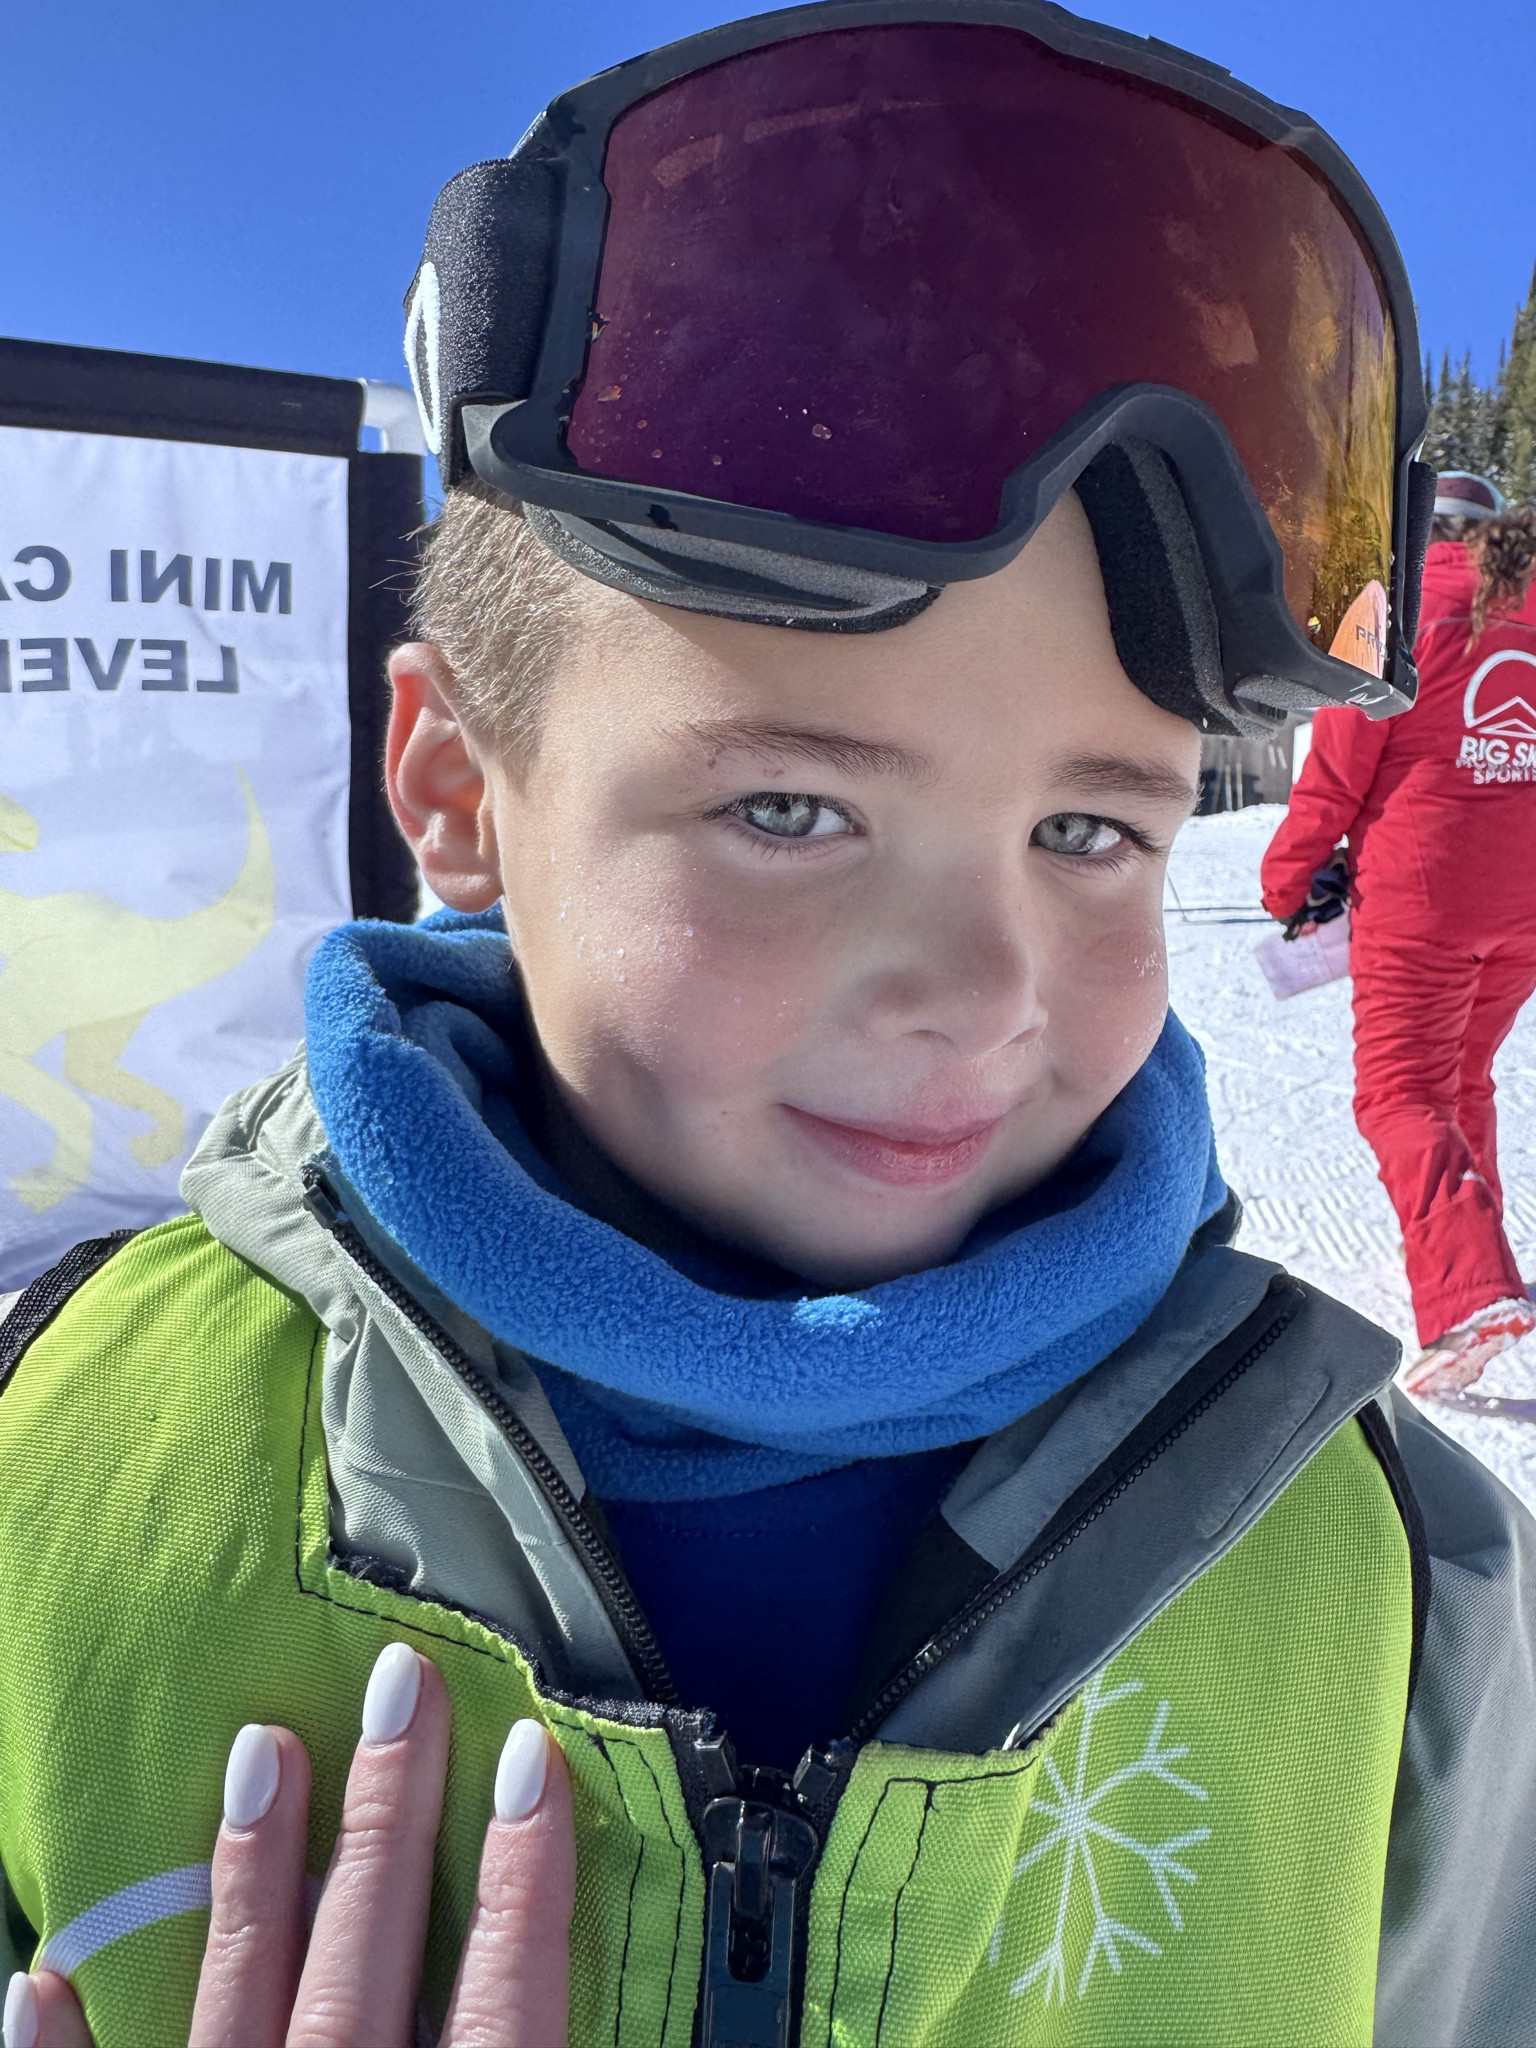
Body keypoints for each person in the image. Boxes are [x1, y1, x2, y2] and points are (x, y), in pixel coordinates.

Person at [5, 10, 1536, 2047]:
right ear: (457, 787)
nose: (981, 991)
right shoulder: (71, 1460)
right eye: (790, 808)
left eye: (1090, 827)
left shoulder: (1384, 1575)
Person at [1262, 477, 1536, 1397]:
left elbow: (1337, 768)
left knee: (1399, 1094)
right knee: (1459, 1078)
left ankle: (1469, 1294)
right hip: (1525, 904)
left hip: (1423, 895)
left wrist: (1287, 879)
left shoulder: (1390, 608)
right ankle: (1477, 1253)